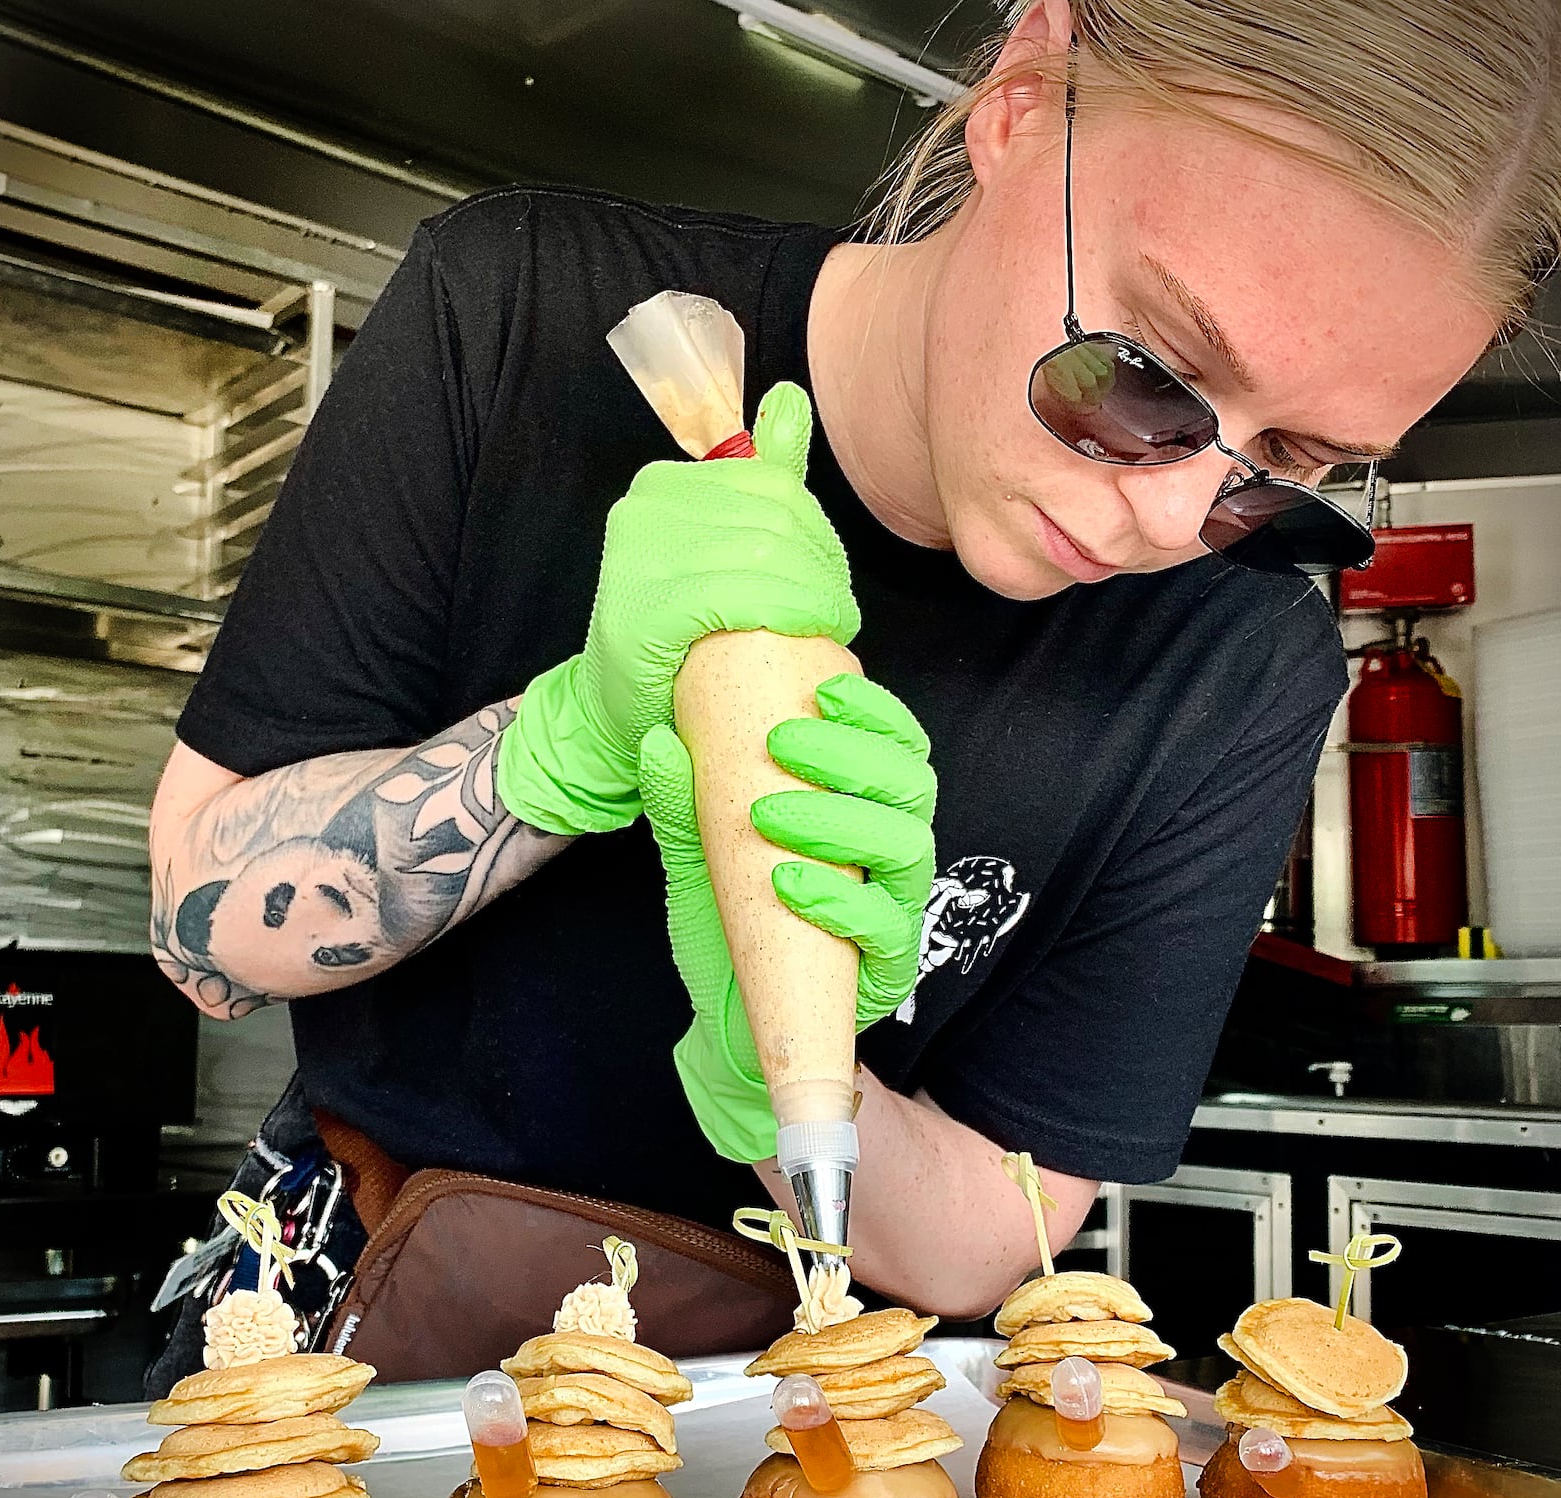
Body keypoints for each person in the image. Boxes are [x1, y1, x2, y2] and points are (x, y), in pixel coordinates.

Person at [149, 1, 1559, 1324]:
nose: (1173, 512)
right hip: (363, 1315)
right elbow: (199, 940)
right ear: (1021, 99)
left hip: (794, 1406)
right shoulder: (520, 311)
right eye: (1144, 375)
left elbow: (995, 1226)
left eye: (1296, 467)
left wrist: (784, 1070)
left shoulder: (1241, 662)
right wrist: (562, 743)